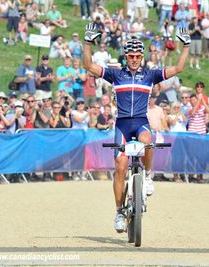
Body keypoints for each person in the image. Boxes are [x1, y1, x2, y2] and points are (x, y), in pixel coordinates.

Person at [83, 23, 191, 233]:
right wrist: (87, 43)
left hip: (141, 122)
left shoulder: (150, 76)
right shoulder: (115, 75)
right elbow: (88, 66)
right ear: (126, 57)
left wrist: (185, 46)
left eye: (137, 56)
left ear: (142, 57)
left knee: (148, 142)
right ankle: (119, 212)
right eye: (130, 56)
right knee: (120, 167)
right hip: (122, 125)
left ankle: (148, 175)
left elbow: (178, 69)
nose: (133, 59)